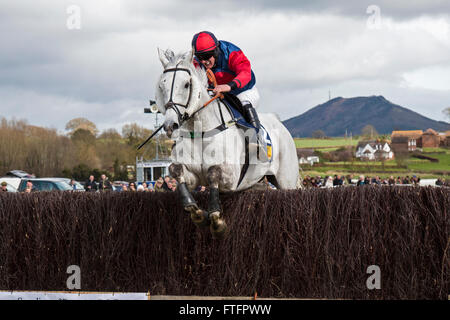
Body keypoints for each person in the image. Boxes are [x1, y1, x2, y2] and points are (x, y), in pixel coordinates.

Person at [191, 31, 268, 161]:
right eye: (200, 57)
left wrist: (229, 86)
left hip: (243, 91)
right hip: (219, 95)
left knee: (244, 102)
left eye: (208, 56)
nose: (204, 61)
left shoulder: (231, 52)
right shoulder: (197, 62)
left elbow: (245, 72)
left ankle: (257, 142)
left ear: (215, 51)